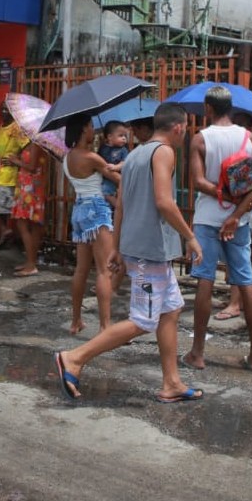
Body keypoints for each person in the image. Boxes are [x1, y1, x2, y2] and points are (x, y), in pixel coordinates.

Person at [54, 103, 204, 402]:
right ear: (177, 127)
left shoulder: (135, 154)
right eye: (185, 128)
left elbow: (120, 202)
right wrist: (190, 236)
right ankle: (74, 357)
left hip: (140, 247)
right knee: (143, 320)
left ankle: (172, 382)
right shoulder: (163, 152)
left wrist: (119, 247)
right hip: (150, 250)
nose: (185, 133)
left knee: (170, 310)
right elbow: (163, 201)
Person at [182, 85, 252, 373]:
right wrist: (237, 210)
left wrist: (224, 198)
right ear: (230, 107)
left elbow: (199, 181)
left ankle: (198, 353)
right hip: (240, 221)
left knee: (205, 280)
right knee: (246, 283)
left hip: (208, 217)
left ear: (207, 109)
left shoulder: (200, 139)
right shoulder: (249, 137)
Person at [63, 114, 121, 336]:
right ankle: (106, 327)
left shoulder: (68, 158)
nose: (93, 131)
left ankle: (76, 320)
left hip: (79, 209)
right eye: (90, 127)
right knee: (105, 271)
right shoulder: (91, 157)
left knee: (81, 269)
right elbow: (118, 179)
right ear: (83, 129)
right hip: (96, 209)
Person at [0, 103, 29, 247]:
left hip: (8, 175)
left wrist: (17, 161)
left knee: (4, 209)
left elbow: (27, 147)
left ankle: (3, 237)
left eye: (8, 110)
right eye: (3, 109)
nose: (5, 112)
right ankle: (4, 230)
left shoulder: (17, 129)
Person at [9, 141, 47, 277]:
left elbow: (32, 167)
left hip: (30, 187)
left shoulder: (36, 144)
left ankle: (31, 264)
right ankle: (30, 262)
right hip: (30, 186)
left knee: (22, 223)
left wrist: (15, 161)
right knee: (33, 226)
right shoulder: (31, 143)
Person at [98, 121, 130, 210]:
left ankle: (120, 208)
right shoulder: (103, 148)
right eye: (121, 135)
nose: (124, 138)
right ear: (109, 137)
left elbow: (124, 163)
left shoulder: (123, 150)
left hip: (115, 178)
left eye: (125, 136)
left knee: (106, 193)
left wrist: (115, 167)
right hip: (104, 177)